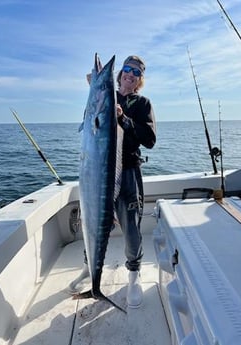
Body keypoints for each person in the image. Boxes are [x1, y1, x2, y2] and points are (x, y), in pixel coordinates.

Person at [68, 55, 156, 308]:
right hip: (97, 172)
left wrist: (123, 118)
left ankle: (133, 275)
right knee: (92, 217)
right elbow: (90, 121)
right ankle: (90, 269)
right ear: (120, 75)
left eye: (136, 72)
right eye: (126, 69)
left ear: (140, 79)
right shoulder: (106, 96)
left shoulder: (142, 103)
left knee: (131, 226)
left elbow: (150, 139)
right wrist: (98, 89)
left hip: (127, 173)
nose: (129, 74)